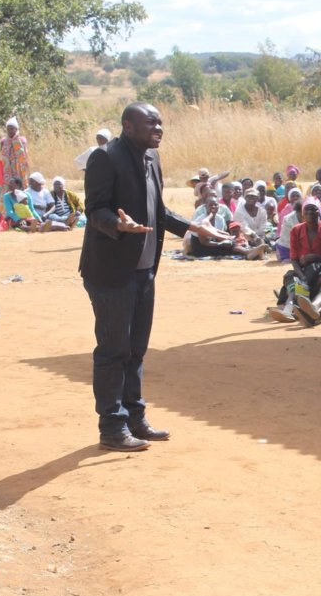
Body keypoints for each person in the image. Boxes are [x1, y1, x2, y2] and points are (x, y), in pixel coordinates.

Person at [81, 102, 232, 451]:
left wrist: (193, 227)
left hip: (145, 270)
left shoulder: (152, 159)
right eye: (151, 123)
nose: (159, 129)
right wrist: (118, 225)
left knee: (135, 350)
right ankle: (112, 428)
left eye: (161, 123)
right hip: (111, 272)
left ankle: (135, 417)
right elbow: (95, 209)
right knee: (112, 350)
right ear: (128, 125)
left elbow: (157, 210)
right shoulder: (105, 158)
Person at [0, 116, 30, 206]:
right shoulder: (3, 141)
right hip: (7, 170)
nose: (10, 131)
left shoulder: (22, 140)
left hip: (19, 170)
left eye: (12, 129)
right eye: (8, 129)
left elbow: (25, 155)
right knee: (6, 190)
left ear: (16, 129)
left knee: (20, 189)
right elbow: (1, 155)